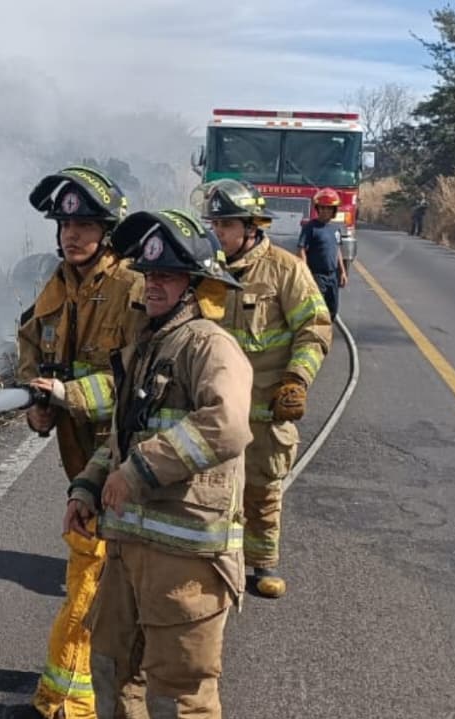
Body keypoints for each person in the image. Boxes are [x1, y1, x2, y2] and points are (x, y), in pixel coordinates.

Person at [66, 208, 252, 718]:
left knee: (178, 696)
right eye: (149, 275)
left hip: (185, 563)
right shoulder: (146, 347)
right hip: (128, 549)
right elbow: (123, 439)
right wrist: (86, 487)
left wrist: (140, 471)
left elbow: (229, 424)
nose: (153, 285)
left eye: (167, 275)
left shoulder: (210, 346)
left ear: (195, 287)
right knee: (110, 669)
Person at [17, 165, 145, 719]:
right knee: (102, 577)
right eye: (66, 225)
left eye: (87, 224)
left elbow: (138, 384)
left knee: (93, 580)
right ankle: (100, 683)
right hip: (80, 461)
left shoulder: (133, 290)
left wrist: (69, 392)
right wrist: (39, 401)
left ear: (107, 232)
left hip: (123, 458)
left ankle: (68, 699)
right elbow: (31, 342)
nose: (73, 234)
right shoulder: (57, 285)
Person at [199, 179, 332, 599]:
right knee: (207, 487)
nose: (217, 232)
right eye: (214, 224)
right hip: (214, 407)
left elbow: (314, 328)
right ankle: (212, 556)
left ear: (251, 227)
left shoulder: (285, 269)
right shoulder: (206, 271)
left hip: (264, 408)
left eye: (225, 224)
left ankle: (263, 563)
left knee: (263, 489)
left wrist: (296, 380)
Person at [298, 188, 349, 319]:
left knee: (332, 310)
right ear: (318, 209)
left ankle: (327, 334)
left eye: (329, 208)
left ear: (334, 211)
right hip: (317, 276)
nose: (326, 211)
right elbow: (302, 248)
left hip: (333, 277)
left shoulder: (335, 229)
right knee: (316, 310)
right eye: (323, 208)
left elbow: (337, 249)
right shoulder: (310, 227)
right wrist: (305, 272)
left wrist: (342, 272)